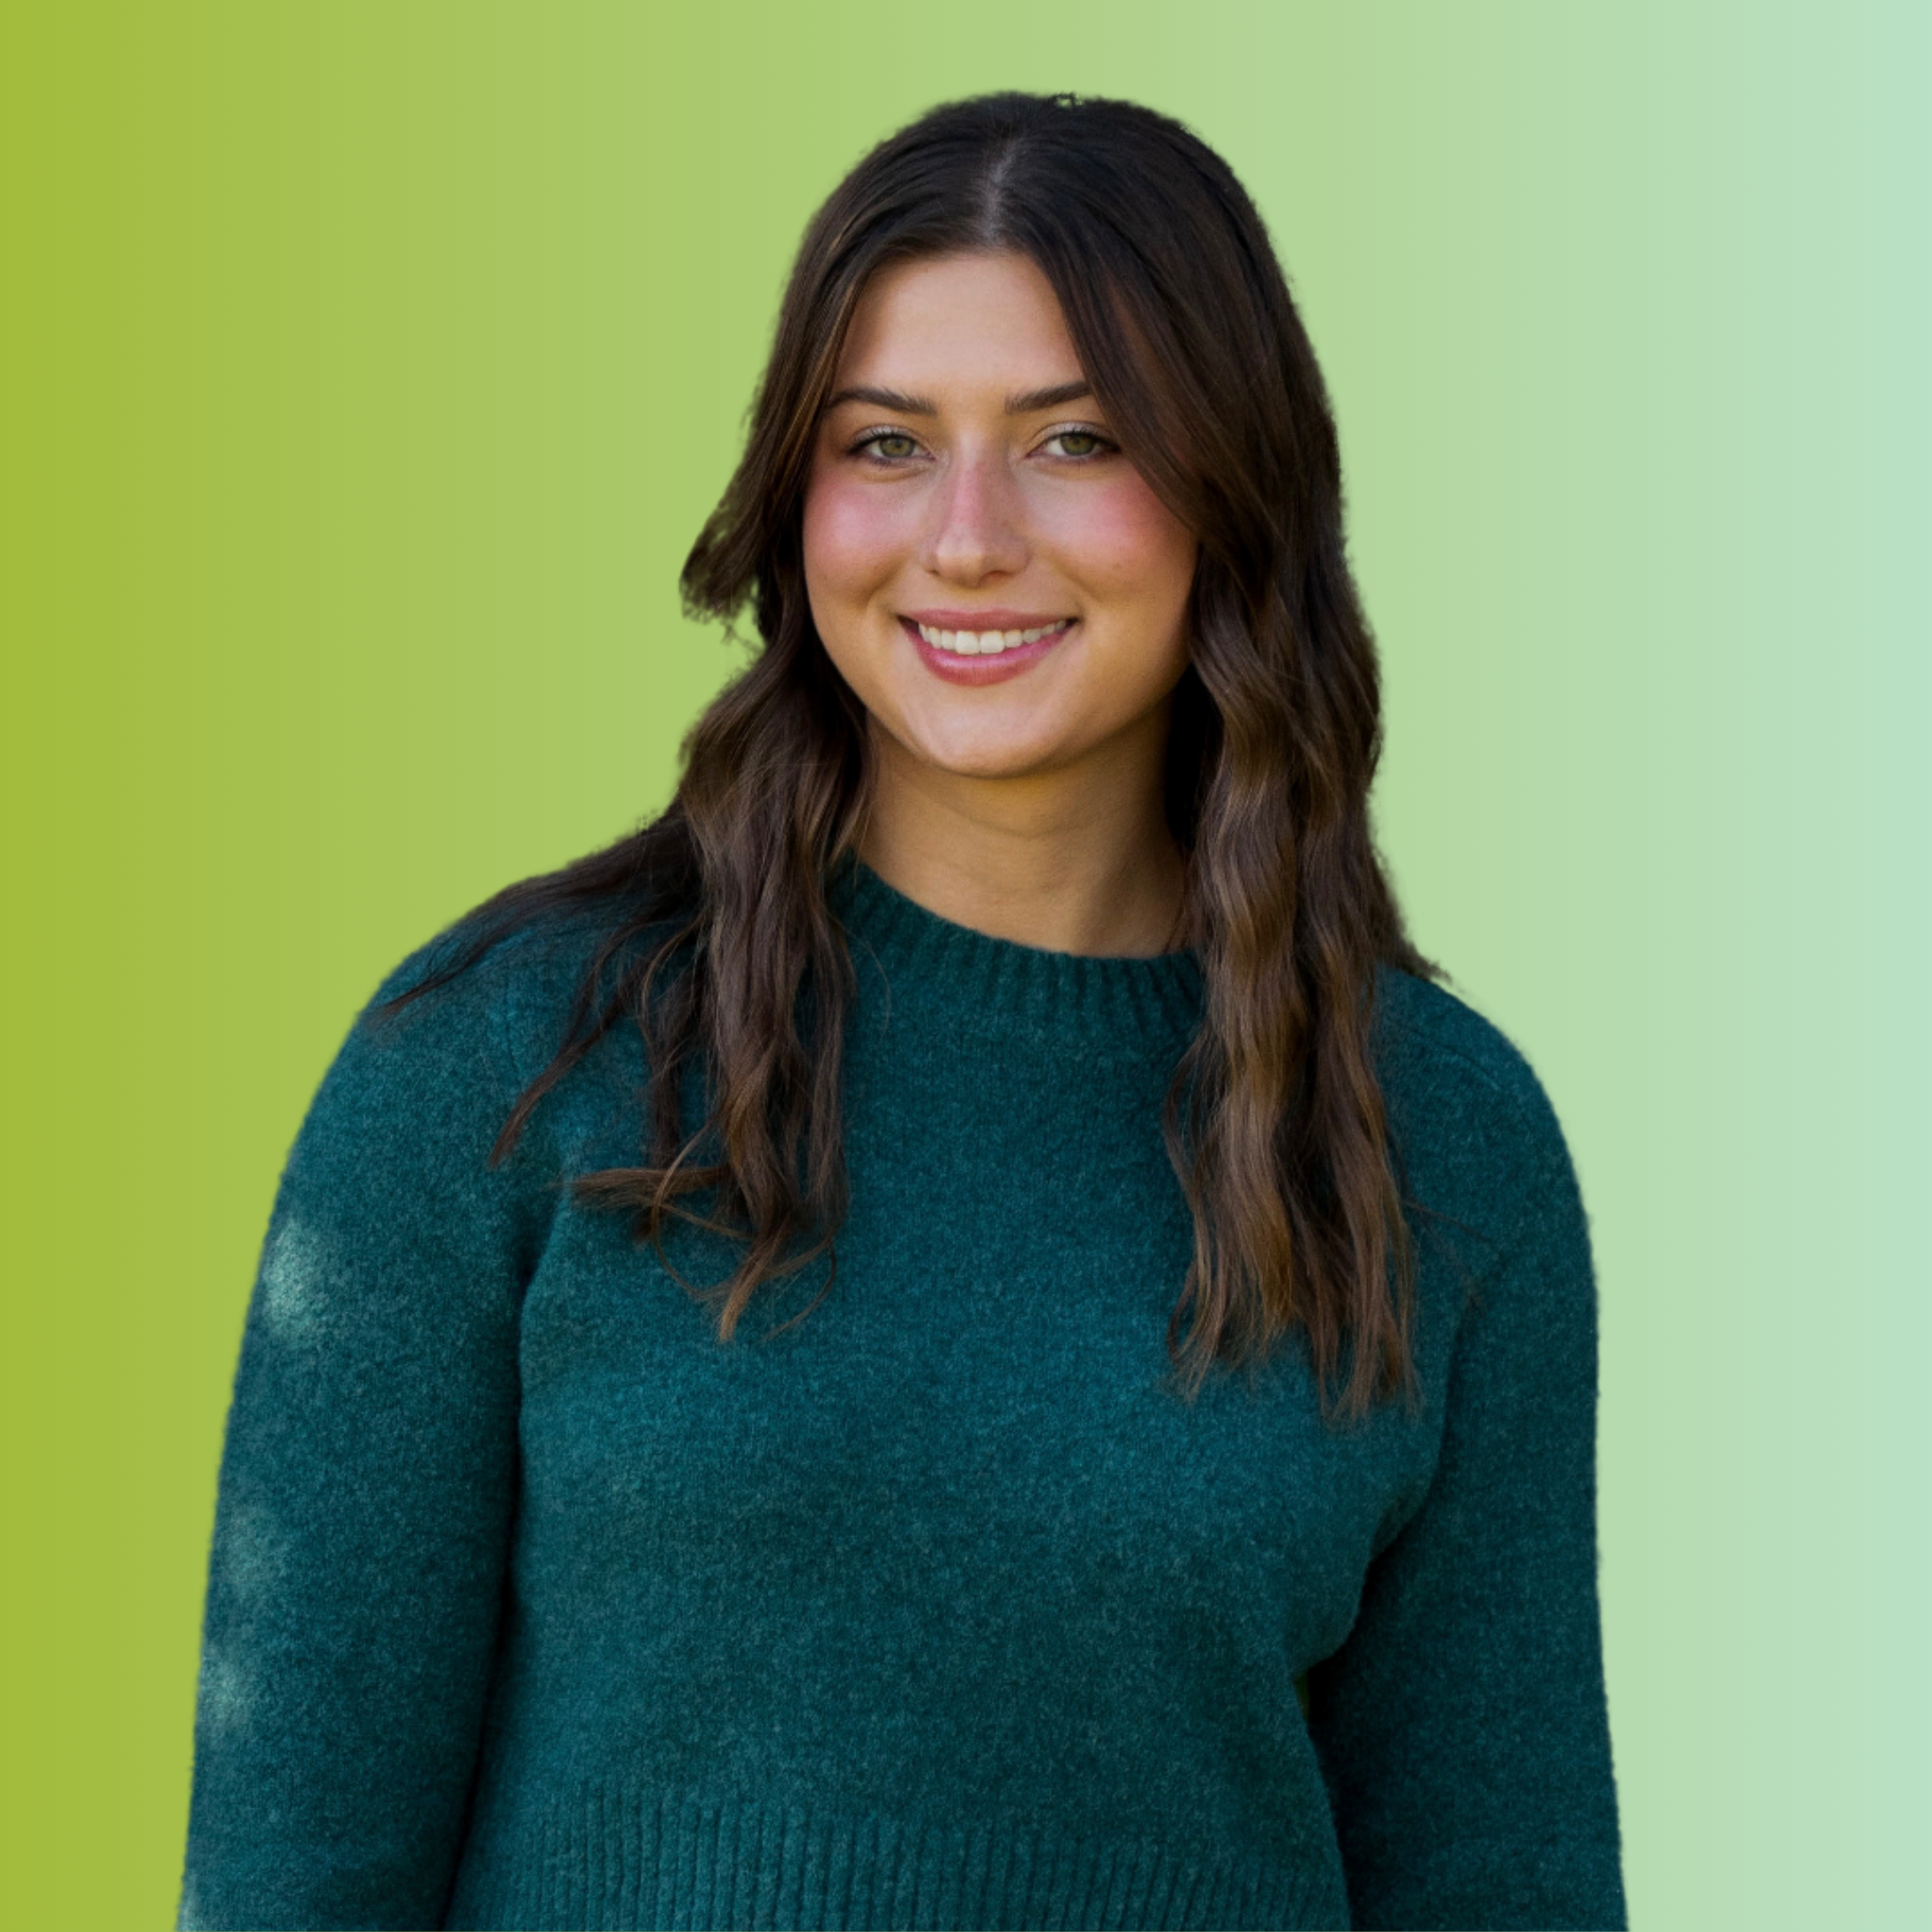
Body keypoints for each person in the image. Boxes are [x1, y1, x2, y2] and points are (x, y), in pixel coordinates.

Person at [179, 92, 1624, 1932]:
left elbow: (1500, 1883)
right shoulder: (503, 1063)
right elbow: (295, 1877)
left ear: (1231, 497)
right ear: (796, 502)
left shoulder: (1436, 1139)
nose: (963, 537)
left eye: (1075, 439)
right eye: (883, 444)